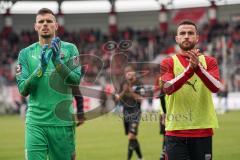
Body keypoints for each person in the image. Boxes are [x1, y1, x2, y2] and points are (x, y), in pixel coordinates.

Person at [16, 8, 81, 160]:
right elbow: (23, 89)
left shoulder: (70, 49)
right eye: (41, 21)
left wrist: (58, 63)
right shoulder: (25, 53)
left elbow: (76, 81)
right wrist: (41, 69)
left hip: (63, 123)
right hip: (36, 123)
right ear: (36, 26)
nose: (45, 24)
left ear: (56, 26)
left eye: (49, 21)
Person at [159, 20, 221, 160]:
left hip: (202, 131)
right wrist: (189, 71)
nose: (186, 36)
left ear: (197, 38)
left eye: (190, 33)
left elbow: (216, 87)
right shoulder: (168, 62)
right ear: (177, 38)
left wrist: (198, 68)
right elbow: (168, 88)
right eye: (182, 33)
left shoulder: (210, 61)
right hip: (175, 132)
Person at [115, 65, 144, 160]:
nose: (128, 75)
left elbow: (141, 99)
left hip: (135, 111)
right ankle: (140, 158)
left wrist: (131, 91)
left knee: (131, 136)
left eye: (130, 72)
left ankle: (128, 158)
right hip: (126, 111)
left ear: (134, 73)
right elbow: (118, 98)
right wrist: (124, 90)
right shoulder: (123, 83)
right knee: (132, 137)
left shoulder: (139, 83)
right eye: (126, 73)